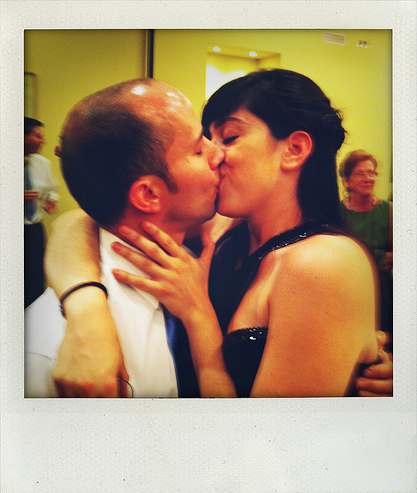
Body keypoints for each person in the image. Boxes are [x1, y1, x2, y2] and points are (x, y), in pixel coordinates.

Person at [44, 70, 393, 398]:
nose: (214, 154)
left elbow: (266, 436)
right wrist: (87, 311)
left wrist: (199, 314)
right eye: (203, 142)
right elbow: (93, 218)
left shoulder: (323, 262)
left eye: (229, 137)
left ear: (294, 150)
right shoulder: (228, 231)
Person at [24, 79, 223, 397]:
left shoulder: (215, 239)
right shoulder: (56, 354)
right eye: (199, 149)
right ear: (148, 194)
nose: (219, 153)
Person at [339, 149, 393, 343]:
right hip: (350, 289)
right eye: (360, 174)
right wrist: (381, 257)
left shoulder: (389, 210)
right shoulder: (338, 213)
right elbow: (340, 257)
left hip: (383, 290)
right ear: (347, 182)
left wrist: (364, 255)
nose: (368, 179)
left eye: (371, 173)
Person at [24, 117, 59, 307]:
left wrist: (50, 201)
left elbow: (51, 190)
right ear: (23, 137)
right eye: (38, 136)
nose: (43, 141)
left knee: (36, 276)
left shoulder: (43, 163)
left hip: (35, 230)